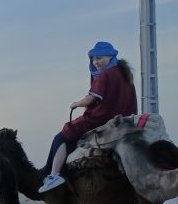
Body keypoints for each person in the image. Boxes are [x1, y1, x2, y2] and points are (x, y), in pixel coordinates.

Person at [38, 41, 138, 194]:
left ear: (111, 56)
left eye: (100, 58)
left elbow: (91, 100)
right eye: (93, 59)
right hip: (125, 119)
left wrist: (76, 104)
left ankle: (54, 175)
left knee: (62, 135)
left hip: (102, 118)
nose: (96, 62)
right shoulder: (123, 72)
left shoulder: (105, 74)